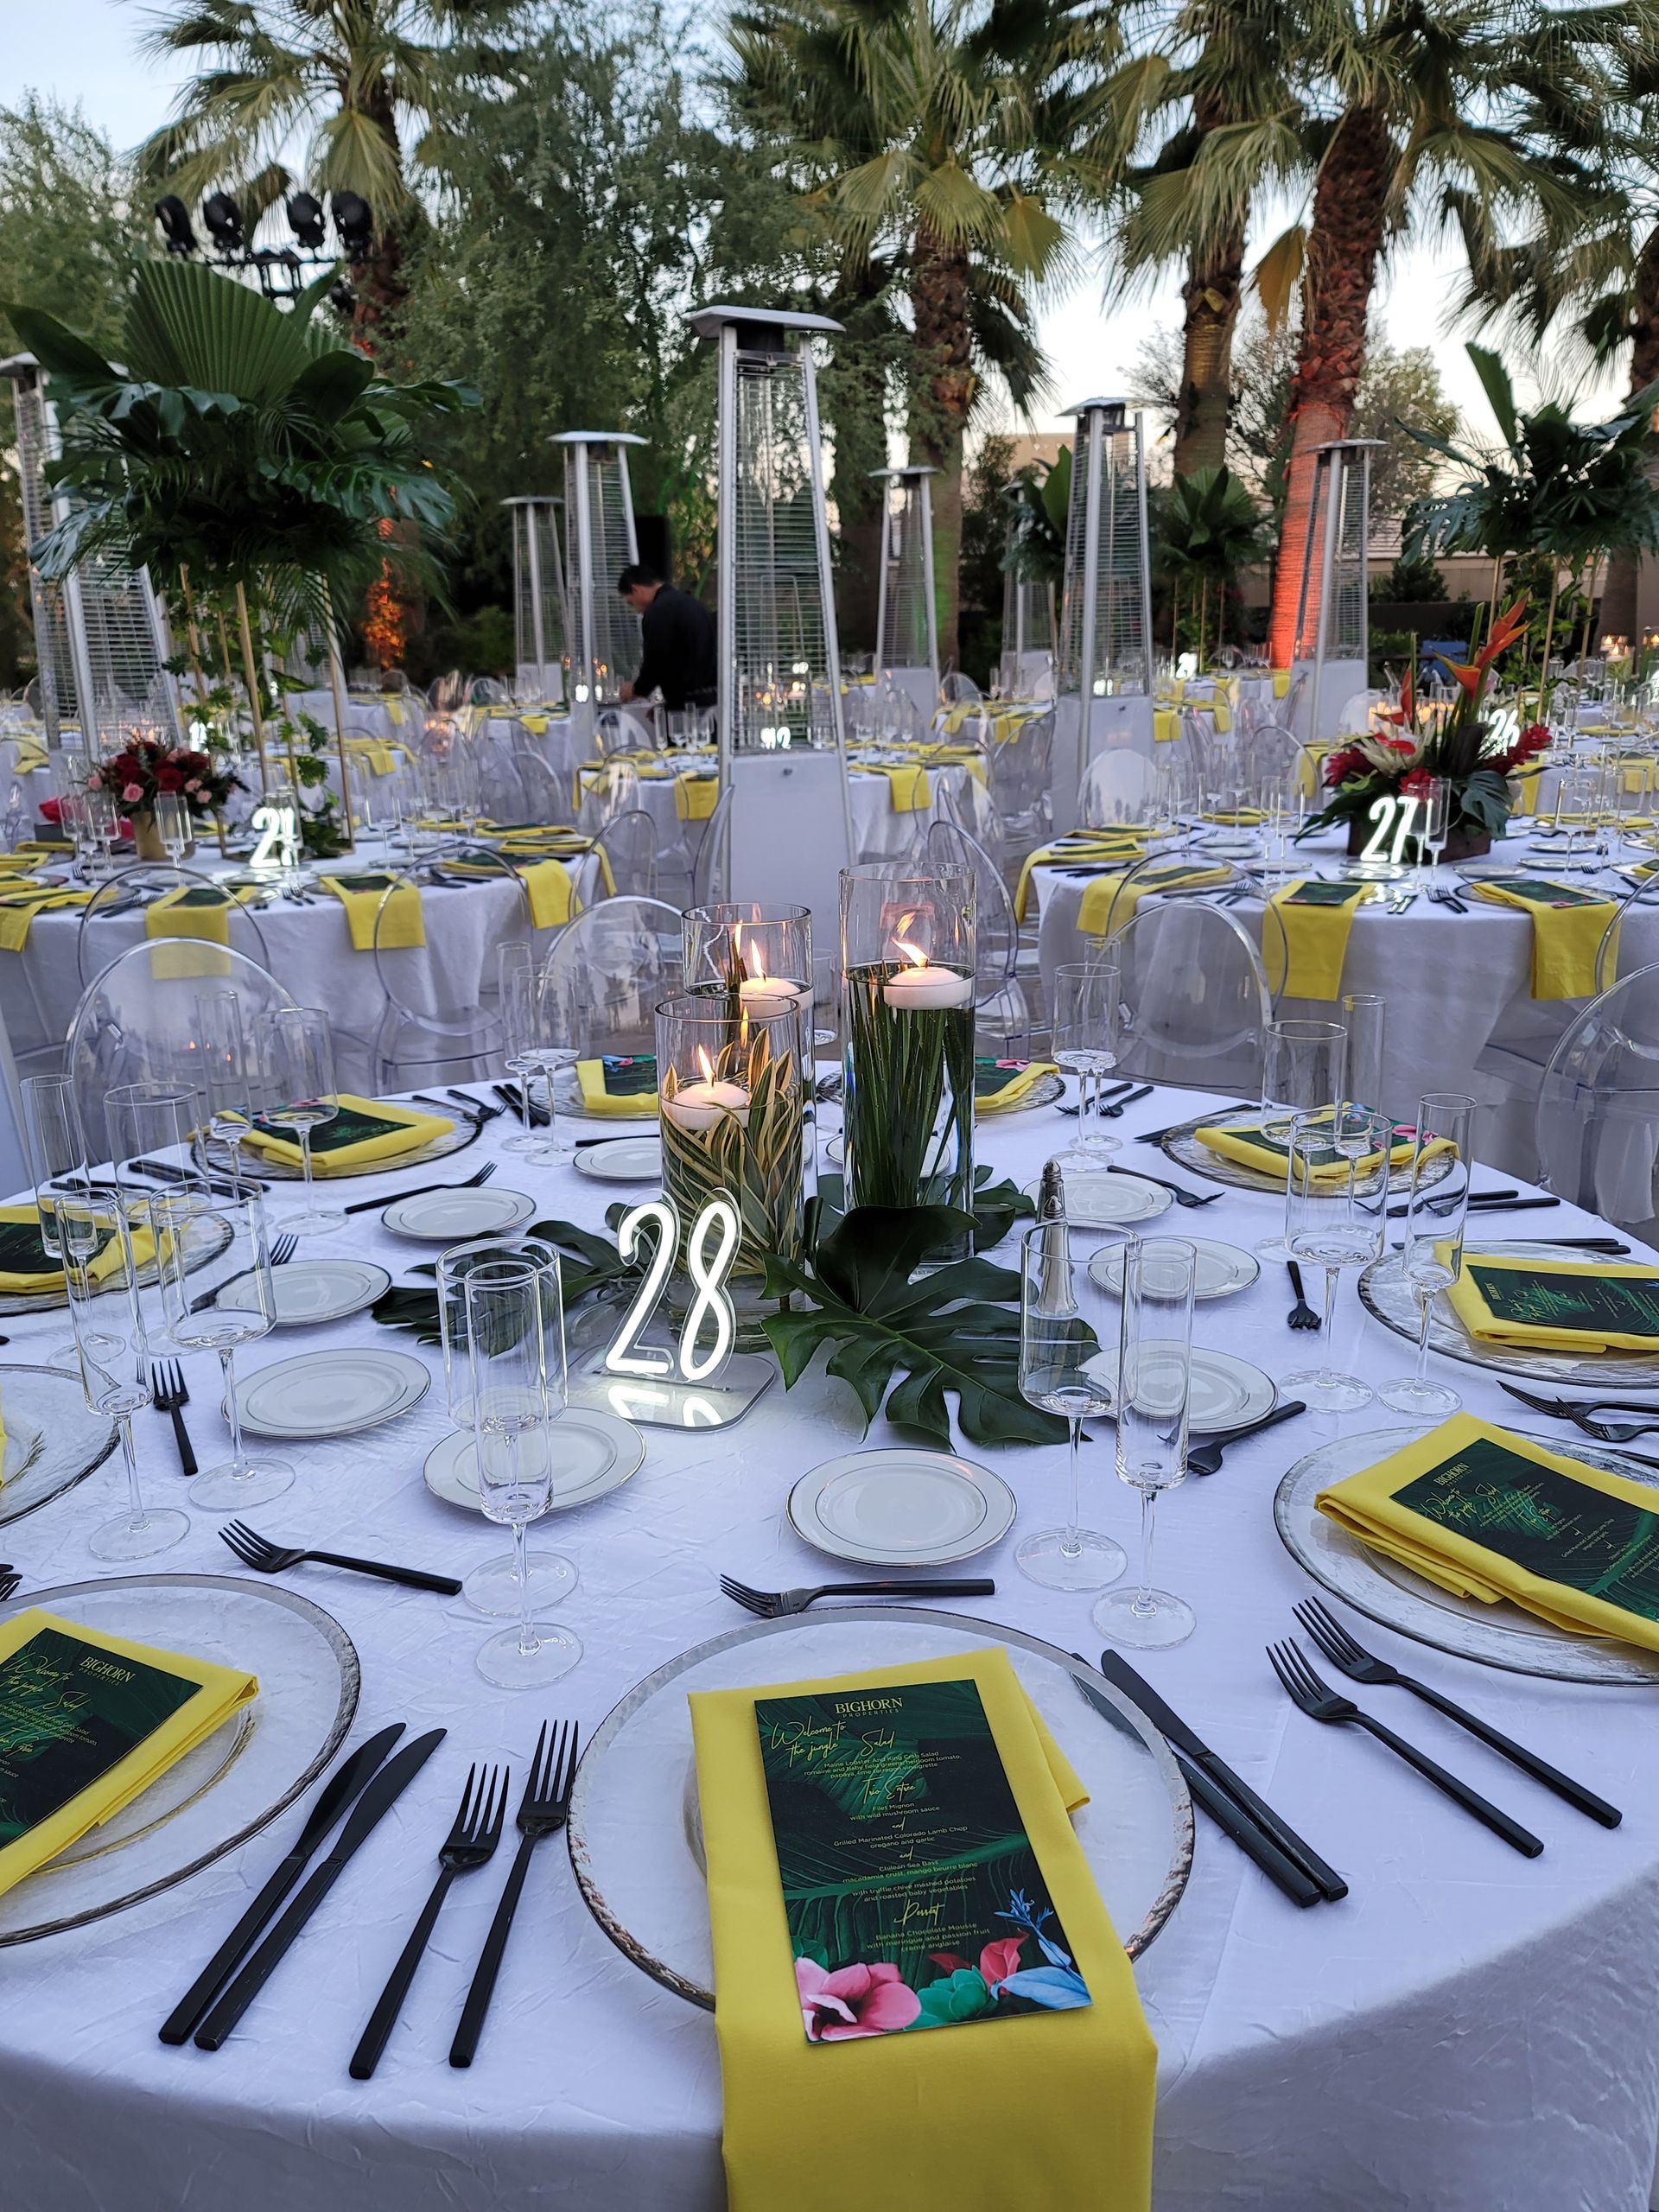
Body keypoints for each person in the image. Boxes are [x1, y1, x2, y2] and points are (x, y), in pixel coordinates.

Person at [616, 564, 717, 710]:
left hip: (685, 708)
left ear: (636, 590)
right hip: (712, 701)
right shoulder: (694, 605)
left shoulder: (657, 612)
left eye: (632, 603)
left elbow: (656, 661)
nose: (637, 611)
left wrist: (637, 690)